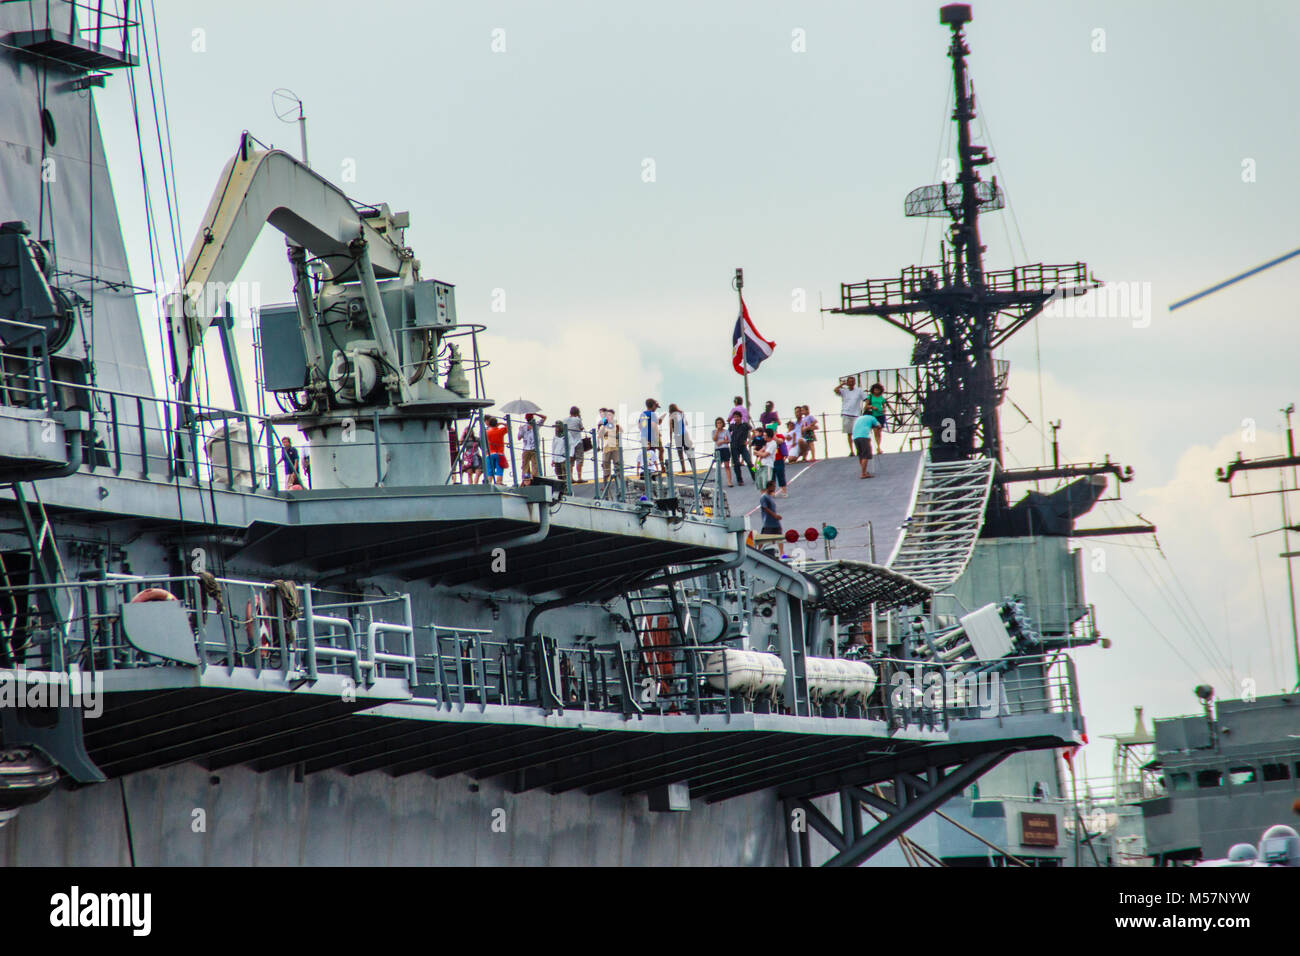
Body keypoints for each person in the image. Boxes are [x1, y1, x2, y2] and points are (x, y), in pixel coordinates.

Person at [834, 376, 867, 456]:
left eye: (852, 381)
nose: (851, 383)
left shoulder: (859, 390)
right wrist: (842, 384)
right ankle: (851, 451)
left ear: (855, 382)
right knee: (849, 433)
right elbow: (835, 390)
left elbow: (866, 399)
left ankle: (858, 449)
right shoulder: (844, 391)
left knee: (857, 433)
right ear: (848, 383)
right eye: (849, 382)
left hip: (856, 414)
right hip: (846, 413)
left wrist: (865, 409)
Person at [665, 403, 694, 472]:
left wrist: (671, 440)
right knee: (688, 451)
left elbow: (670, 430)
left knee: (680, 453)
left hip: (678, 436)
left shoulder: (671, 416)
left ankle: (683, 469)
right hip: (685, 434)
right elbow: (686, 423)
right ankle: (693, 467)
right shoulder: (681, 413)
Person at [758, 480, 784, 555]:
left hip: (775, 522)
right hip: (768, 522)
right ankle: (758, 551)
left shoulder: (770, 496)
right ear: (769, 487)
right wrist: (775, 516)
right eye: (773, 486)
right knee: (763, 538)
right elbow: (765, 508)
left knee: (780, 536)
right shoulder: (764, 497)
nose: (775, 488)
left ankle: (782, 553)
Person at [518, 412, 547, 478]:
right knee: (532, 465)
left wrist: (520, 430)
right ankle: (529, 478)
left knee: (529, 465)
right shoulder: (535, 425)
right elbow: (544, 417)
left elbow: (519, 438)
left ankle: (530, 478)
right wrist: (536, 413)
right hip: (530, 448)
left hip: (529, 448)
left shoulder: (532, 425)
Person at [728, 411, 753, 486]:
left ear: (740, 417)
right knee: (736, 464)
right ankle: (739, 480)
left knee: (749, 462)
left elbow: (754, 431)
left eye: (737, 417)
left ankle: (755, 475)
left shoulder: (745, 425)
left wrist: (749, 441)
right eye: (735, 417)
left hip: (743, 446)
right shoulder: (731, 426)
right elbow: (727, 434)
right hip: (734, 446)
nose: (736, 418)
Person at [852, 410, 879, 478]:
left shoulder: (858, 418)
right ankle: (863, 473)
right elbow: (878, 425)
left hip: (855, 437)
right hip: (864, 437)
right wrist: (873, 426)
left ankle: (864, 471)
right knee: (865, 455)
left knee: (861, 455)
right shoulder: (871, 417)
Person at [637, 398, 661, 477]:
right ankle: (652, 475)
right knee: (652, 456)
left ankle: (645, 476)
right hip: (651, 438)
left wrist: (644, 432)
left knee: (645, 457)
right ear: (653, 405)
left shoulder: (642, 414)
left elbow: (639, 426)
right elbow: (654, 426)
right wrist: (657, 436)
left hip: (644, 437)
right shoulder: (653, 414)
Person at [597, 408, 621, 483]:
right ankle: (606, 486)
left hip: (615, 448)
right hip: (606, 448)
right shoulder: (602, 423)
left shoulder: (615, 424)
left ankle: (620, 486)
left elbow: (620, 433)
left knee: (618, 468)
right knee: (606, 469)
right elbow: (599, 435)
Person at [484, 416, 509, 485]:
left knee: (490, 470)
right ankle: (499, 482)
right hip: (499, 453)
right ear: (496, 423)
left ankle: (489, 483)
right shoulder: (500, 431)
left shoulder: (487, 432)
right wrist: (501, 423)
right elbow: (509, 427)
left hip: (489, 453)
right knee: (499, 469)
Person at [564, 406, 586, 482]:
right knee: (579, 460)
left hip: (569, 443)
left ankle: (571, 478)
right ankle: (579, 478)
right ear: (577, 413)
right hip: (578, 442)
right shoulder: (577, 419)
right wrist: (579, 418)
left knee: (570, 461)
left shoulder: (565, 420)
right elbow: (582, 428)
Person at [867, 383, 888, 455]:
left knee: (880, 432)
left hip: (881, 415)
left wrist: (884, 409)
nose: (876, 391)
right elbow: (866, 406)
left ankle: (879, 447)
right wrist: (872, 407)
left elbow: (884, 405)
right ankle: (877, 447)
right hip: (873, 416)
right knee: (875, 431)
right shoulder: (870, 397)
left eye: (878, 390)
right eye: (875, 390)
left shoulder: (881, 398)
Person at [712, 416, 733, 486]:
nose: (719, 424)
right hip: (717, 450)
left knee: (727, 465)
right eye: (717, 423)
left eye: (720, 423)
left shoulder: (726, 431)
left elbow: (729, 440)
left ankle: (729, 481)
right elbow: (714, 439)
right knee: (718, 466)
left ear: (723, 423)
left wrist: (722, 441)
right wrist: (717, 431)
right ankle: (718, 482)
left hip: (725, 449)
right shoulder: (714, 431)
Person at [772, 431, 789, 497]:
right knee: (771, 477)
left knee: (780, 475)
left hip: (779, 459)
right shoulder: (767, 438)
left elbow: (780, 441)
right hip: (770, 460)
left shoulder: (780, 436)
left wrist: (774, 436)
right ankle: (772, 492)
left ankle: (784, 491)